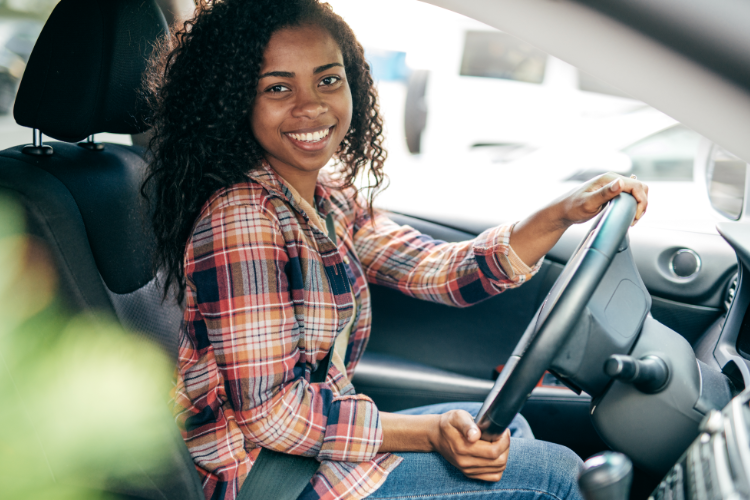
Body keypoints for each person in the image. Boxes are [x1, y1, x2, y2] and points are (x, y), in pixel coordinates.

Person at [142, 1, 649, 499]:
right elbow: (272, 416)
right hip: (266, 479)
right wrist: (429, 435)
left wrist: (560, 213)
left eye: (328, 79)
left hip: (309, 453)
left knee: (503, 425)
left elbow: (439, 270)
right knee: (558, 475)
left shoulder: (326, 198)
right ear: (235, 101)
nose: (311, 105)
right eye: (278, 87)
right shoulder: (243, 218)